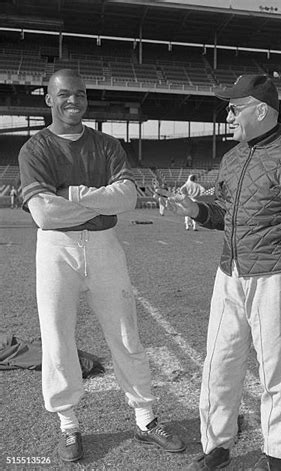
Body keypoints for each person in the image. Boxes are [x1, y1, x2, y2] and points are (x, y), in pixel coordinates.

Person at [18, 69, 185, 463]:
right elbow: (43, 212)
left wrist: (71, 195)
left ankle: (145, 418)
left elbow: (126, 198)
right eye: (63, 94)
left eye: (79, 94)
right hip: (56, 249)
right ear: (49, 99)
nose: (72, 101)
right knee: (57, 336)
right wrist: (95, 198)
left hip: (105, 246)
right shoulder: (35, 148)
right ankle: (69, 424)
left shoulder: (108, 145)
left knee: (125, 333)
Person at [168, 74, 281, 470]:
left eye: (234, 107)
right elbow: (226, 215)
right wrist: (199, 212)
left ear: (261, 110)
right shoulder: (233, 157)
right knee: (219, 363)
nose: (227, 115)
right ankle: (217, 444)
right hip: (229, 274)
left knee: (279, 370)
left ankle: (277, 454)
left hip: (278, 277)